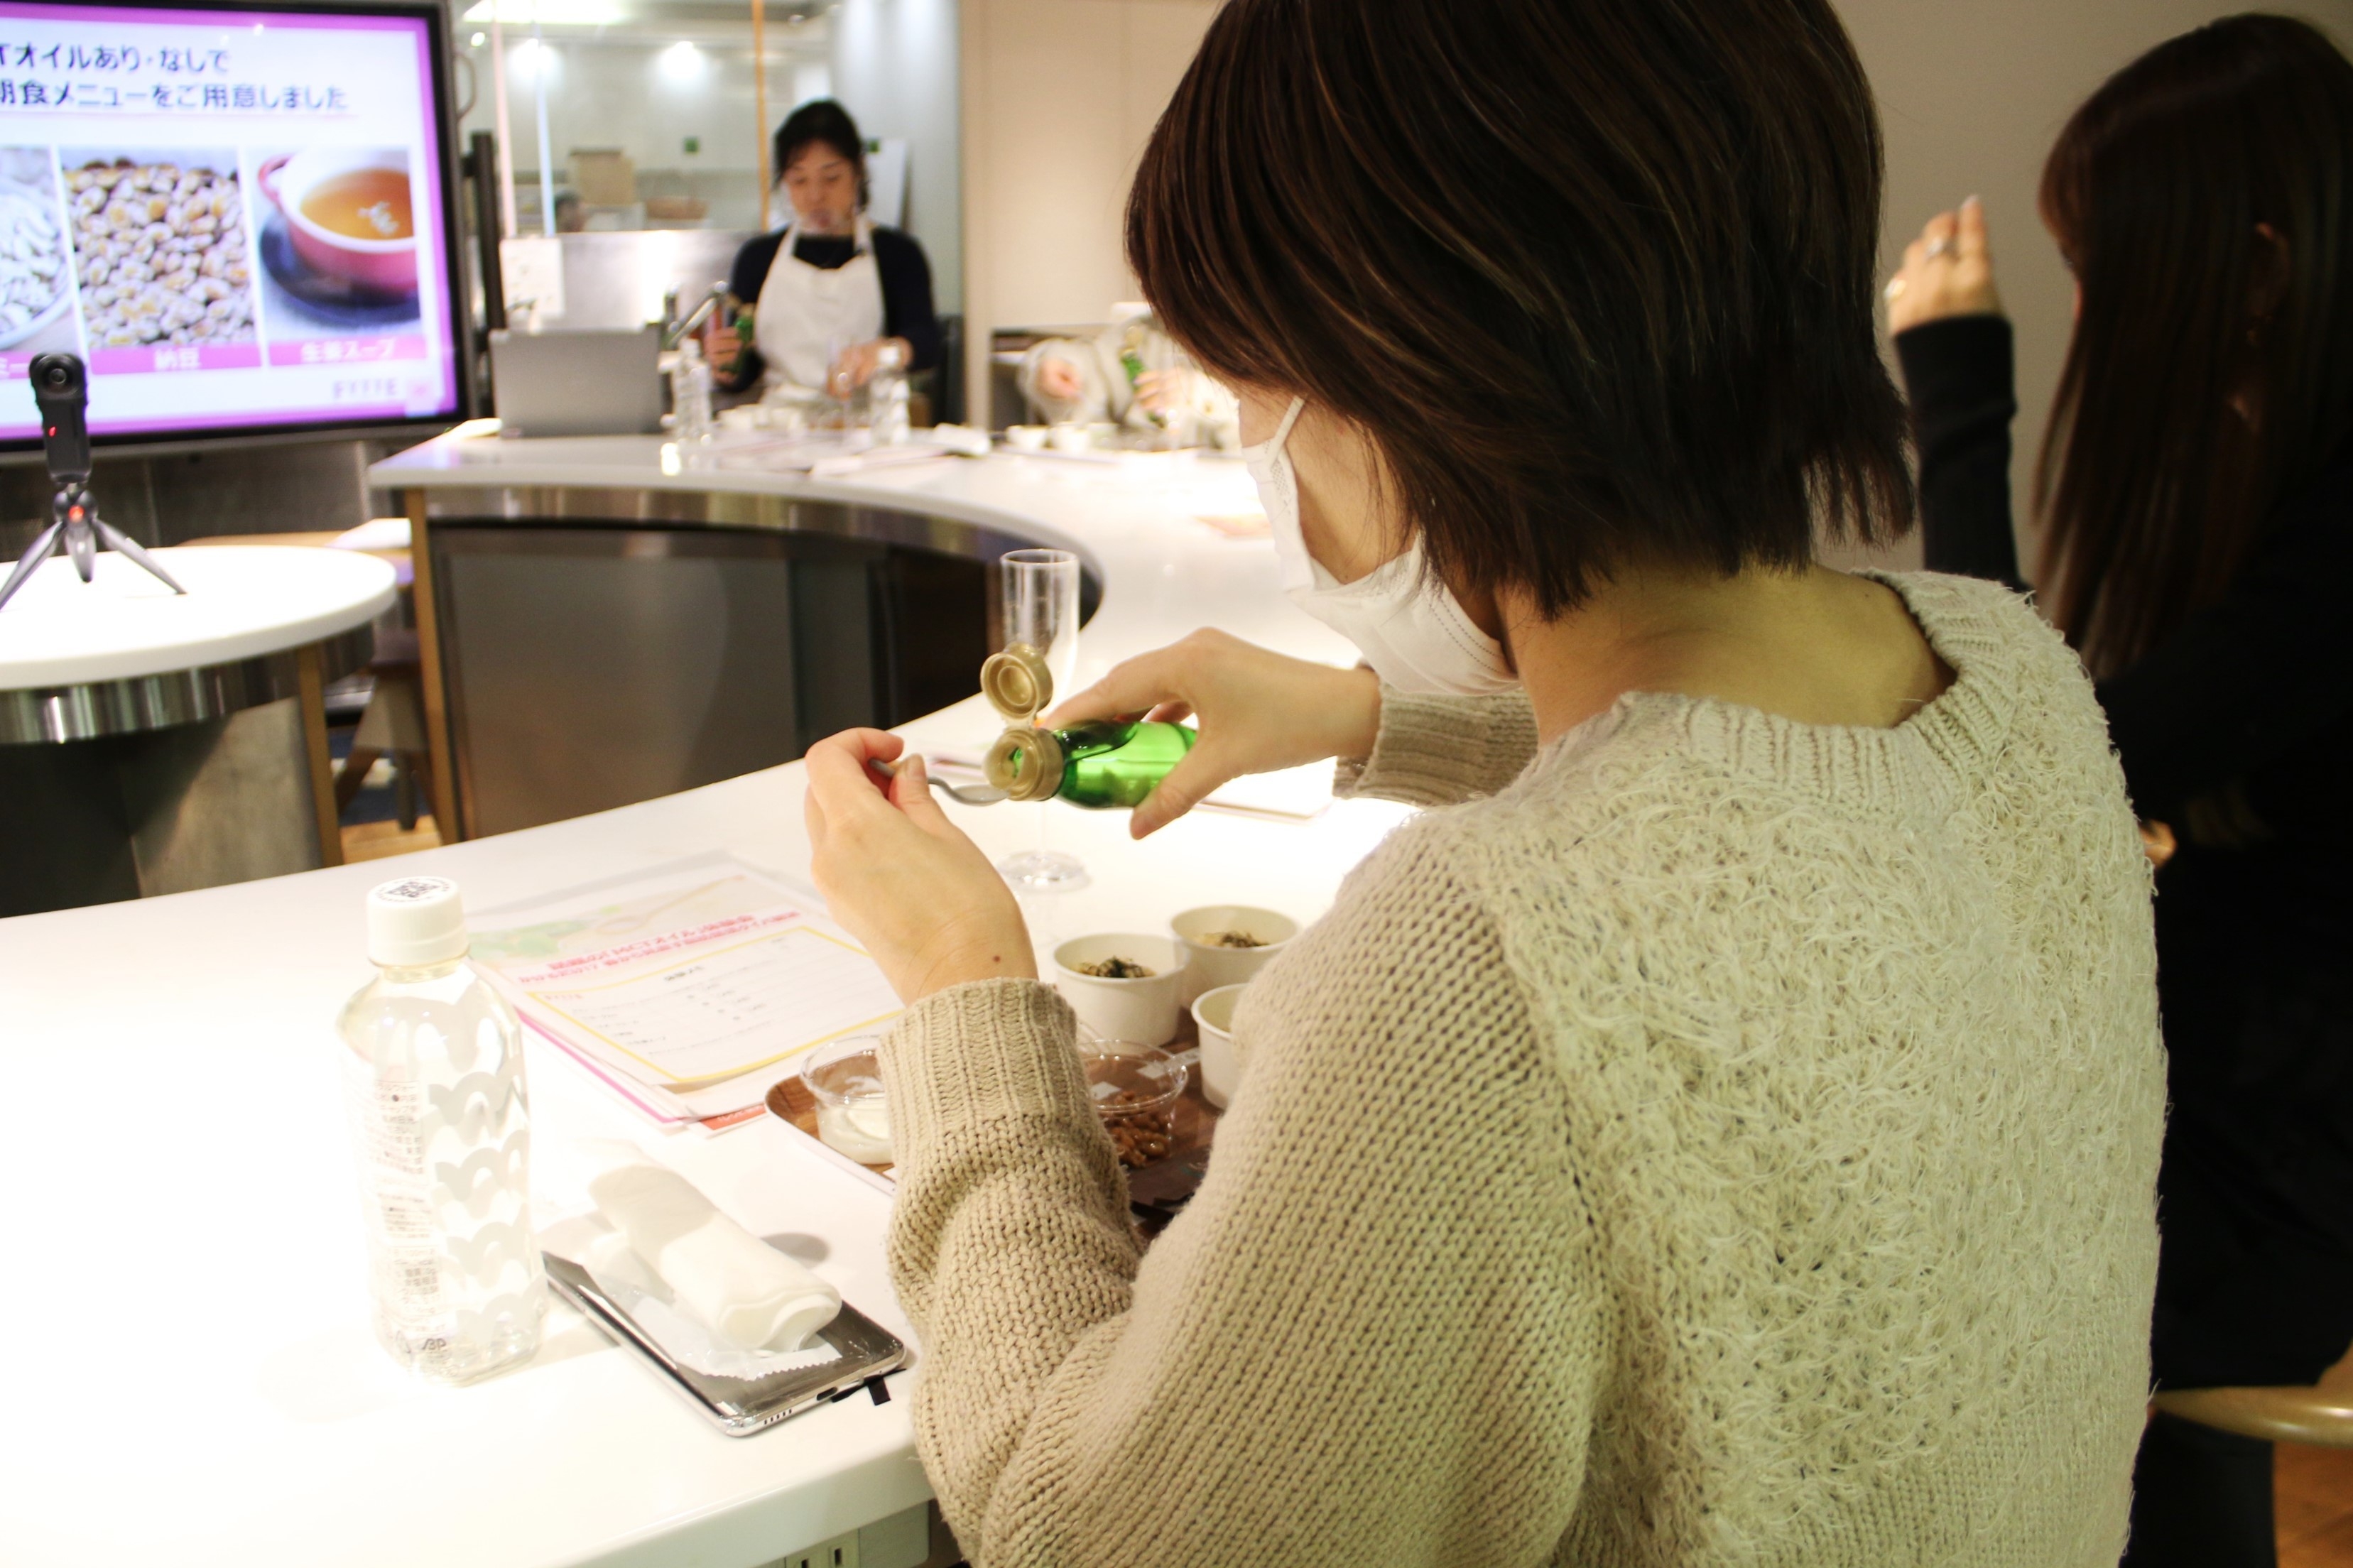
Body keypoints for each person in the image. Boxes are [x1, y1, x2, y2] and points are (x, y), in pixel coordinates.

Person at [800, 0, 2164, 1562]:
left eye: (1252, 394)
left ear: (1405, 372)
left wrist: (964, 992)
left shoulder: (1474, 977)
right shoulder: (2017, 683)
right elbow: (1759, 834)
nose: (1259, 447)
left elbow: (1095, 1535)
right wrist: (1366, 716)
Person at [1883, 16, 2353, 1568]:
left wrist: (1959, 401)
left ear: (2255, 270)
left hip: (2268, 1181)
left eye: (2102, 270)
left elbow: (2024, 756)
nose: (2088, 311)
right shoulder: (2284, 461)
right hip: (2232, 1094)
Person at [707, 99, 940, 401]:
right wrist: (727, 364)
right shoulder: (758, 258)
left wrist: (884, 352)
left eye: (831, 178)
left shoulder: (896, 254)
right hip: (784, 420)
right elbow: (743, 371)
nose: (815, 195)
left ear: (858, 171)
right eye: (799, 180)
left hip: (868, 418)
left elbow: (926, 343)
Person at [1019, 307, 1241, 448]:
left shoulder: (1254, 330)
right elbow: (1093, 364)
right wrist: (1057, 369)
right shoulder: (1144, 332)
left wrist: (1207, 398)